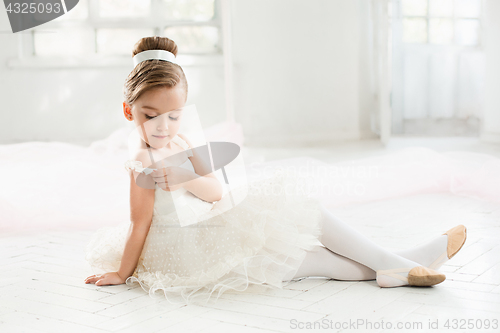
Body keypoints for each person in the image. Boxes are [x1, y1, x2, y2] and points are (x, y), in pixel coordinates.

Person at [84, 36, 467, 305]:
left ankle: (398, 264)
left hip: (211, 228)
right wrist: (122, 272)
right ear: (128, 111)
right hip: (187, 253)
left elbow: (215, 191)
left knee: (308, 223)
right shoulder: (142, 162)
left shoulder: (179, 143)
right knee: (310, 259)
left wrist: (188, 176)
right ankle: (403, 262)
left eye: (173, 116)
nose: (163, 126)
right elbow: (140, 224)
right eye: (151, 116)